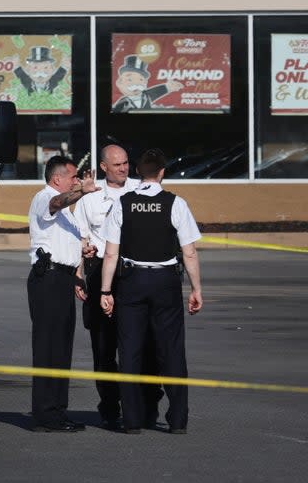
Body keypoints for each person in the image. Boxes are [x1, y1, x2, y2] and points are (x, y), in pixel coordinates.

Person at [100, 148, 204, 434]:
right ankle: (178, 420)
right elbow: (190, 253)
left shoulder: (123, 203)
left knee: (130, 351)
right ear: (162, 172)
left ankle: (132, 421)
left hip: (132, 282)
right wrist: (196, 289)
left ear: (137, 173)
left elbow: (110, 254)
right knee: (171, 351)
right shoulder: (176, 203)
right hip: (166, 282)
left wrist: (105, 291)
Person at [73, 144, 162, 430]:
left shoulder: (142, 189)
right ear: (103, 167)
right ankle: (110, 406)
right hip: (101, 273)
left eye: (126, 163)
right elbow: (79, 235)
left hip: (137, 274)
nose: (124, 168)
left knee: (144, 345)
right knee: (104, 347)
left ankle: (147, 405)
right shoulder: (91, 197)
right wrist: (80, 267)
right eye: (117, 164)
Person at [27, 154, 98, 432]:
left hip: (64, 280)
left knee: (62, 348)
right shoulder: (44, 198)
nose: (77, 181)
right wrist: (82, 191)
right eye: (72, 177)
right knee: (47, 348)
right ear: (57, 179)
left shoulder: (67, 214)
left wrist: (83, 252)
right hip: (49, 280)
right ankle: (45, 416)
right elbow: (57, 202)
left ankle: (58, 411)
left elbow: (66, 244)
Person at [111, 55, 183, 112]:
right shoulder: (123, 102)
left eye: (141, 79)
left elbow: (158, 91)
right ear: (120, 82)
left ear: (145, 82)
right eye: (129, 79)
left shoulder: (146, 96)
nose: (136, 83)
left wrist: (169, 87)